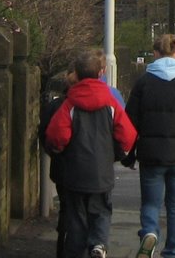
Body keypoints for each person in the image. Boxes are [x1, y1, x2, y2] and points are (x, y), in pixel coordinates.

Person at [46, 49, 138, 258]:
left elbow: (56, 135)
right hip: (101, 172)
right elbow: (128, 135)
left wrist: (59, 151)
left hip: (75, 172)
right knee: (102, 212)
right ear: (101, 72)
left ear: (76, 74)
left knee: (76, 219)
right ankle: (98, 244)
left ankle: (77, 251)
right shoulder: (110, 103)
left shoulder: (70, 104)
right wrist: (117, 154)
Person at [124, 33, 175, 258]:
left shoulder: (143, 83)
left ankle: (150, 233)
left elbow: (130, 121)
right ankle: (173, 251)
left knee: (150, 202)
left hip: (150, 154)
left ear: (155, 53)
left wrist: (128, 155)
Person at [39, 67, 78, 258]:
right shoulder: (104, 104)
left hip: (62, 168)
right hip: (94, 171)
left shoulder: (56, 107)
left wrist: (54, 153)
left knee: (66, 209)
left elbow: (45, 135)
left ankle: (63, 249)